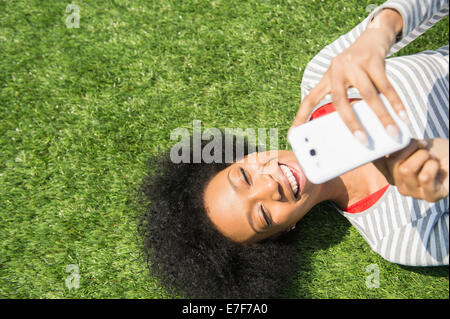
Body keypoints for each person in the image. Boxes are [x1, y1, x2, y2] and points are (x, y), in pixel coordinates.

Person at [140, 0, 449, 298]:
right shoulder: (399, 237)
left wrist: (383, 26)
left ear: (244, 155)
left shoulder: (321, 83)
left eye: (245, 176)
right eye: (262, 214)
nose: (269, 185)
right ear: (285, 230)